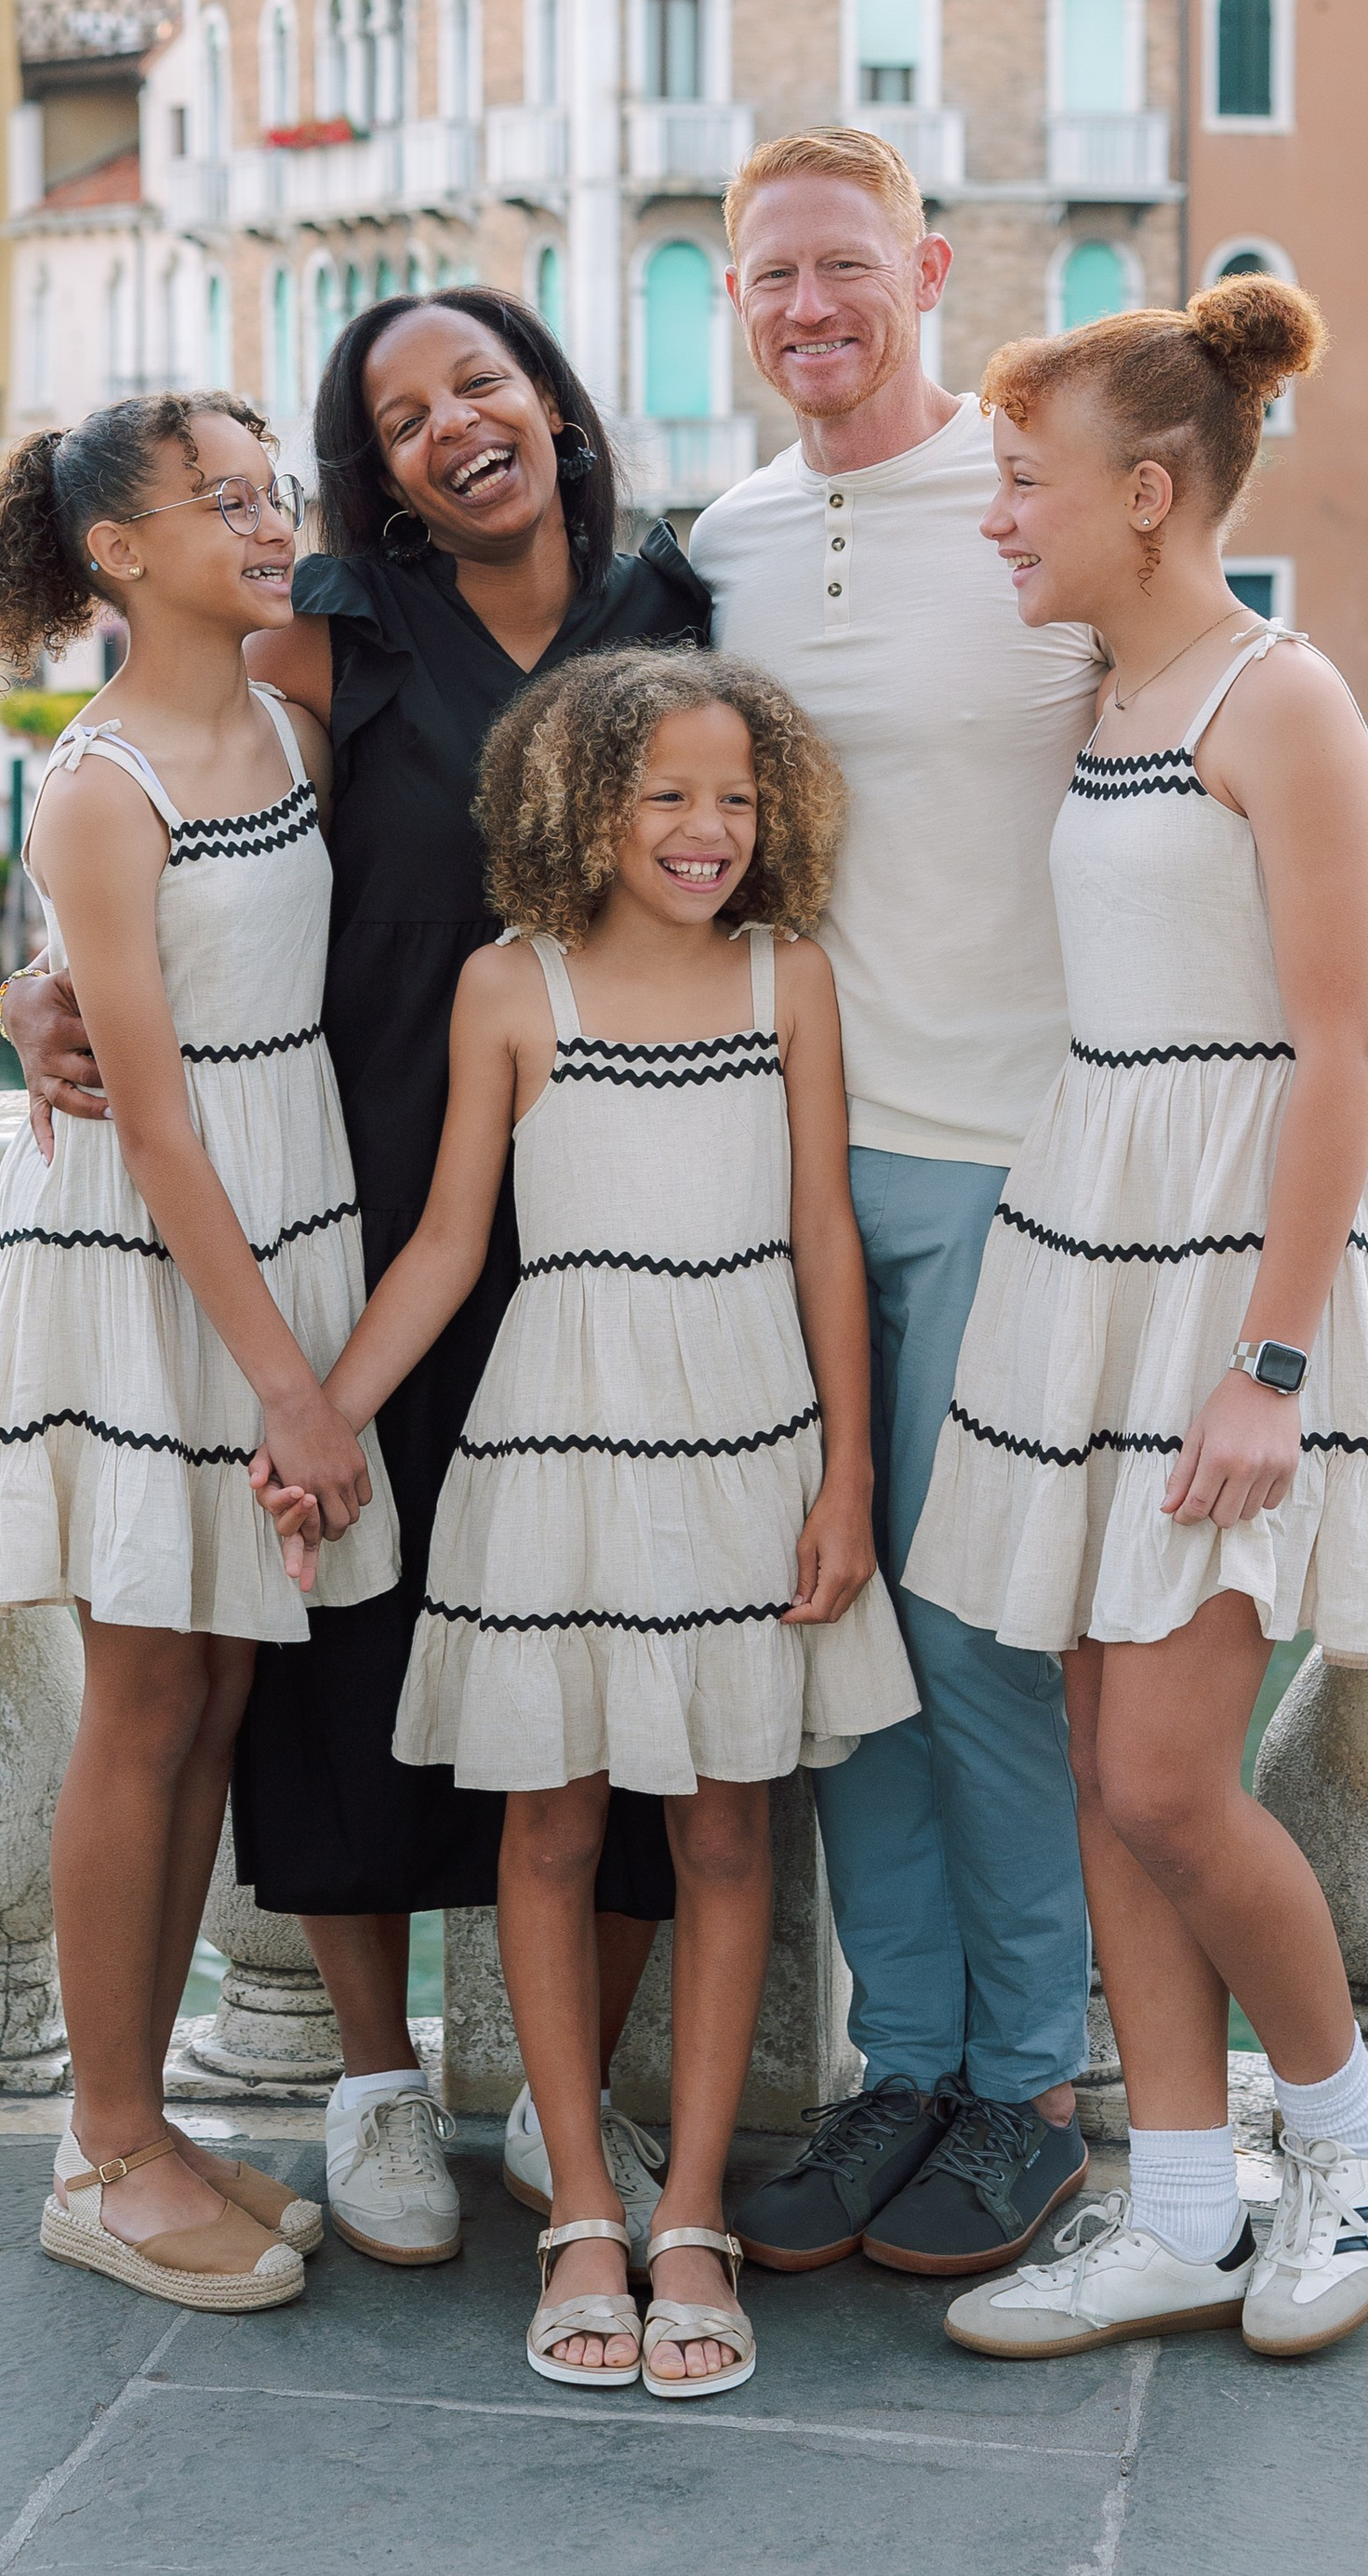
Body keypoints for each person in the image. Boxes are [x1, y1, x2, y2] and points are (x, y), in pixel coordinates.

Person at [690, 130, 1368, 2287]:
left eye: (842, 263)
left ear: (919, 267)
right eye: (768, 274)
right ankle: (913, 2069)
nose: (805, 305)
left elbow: (1291, 948)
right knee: (849, 1646)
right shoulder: (723, 544)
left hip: (1056, 1180)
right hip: (804, 1166)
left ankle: (1030, 2089)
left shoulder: (1065, 541)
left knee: (1015, 1681)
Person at [0, 294, 709, 2268]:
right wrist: (25, 989)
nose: (451, 426)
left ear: (552, 404)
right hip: (359, 1211)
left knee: (620, 1635)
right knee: (326, 1674)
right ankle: (373, 2085)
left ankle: (580, 2107)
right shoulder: (328, 630)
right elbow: (128, 835)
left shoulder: (683, 603)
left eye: (479, 382)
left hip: (622, 1208)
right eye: (397, 414)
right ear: (368, 467)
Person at [905, 284, 1368, 2362]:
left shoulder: (1279, 697)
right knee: (1092, 1753)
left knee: (1158, 1772)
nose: (997, 524)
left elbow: (1335, 1052)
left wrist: (1273, 1359)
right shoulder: (1110, 700)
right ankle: (1167, 2201)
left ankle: (1341, 2135)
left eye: (1023, 487)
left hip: (1230, 1276)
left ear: (1146, 495)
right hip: (1091, 1241)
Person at [280, 649, 914, 2396]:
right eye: (665, 797)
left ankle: (692, 2210)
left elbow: (823, 1245)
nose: (707, 829)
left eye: (735, 795)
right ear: (584, 810)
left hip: (746, 1443)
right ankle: (577, 2209)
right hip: (556, 1442)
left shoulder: (793, 980)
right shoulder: (511, 987)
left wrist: (847, 1478)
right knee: (547, 1835)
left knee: (725, 1840)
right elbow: (443, 1247)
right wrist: (323, 1411)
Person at [0, 392, 396, 2310]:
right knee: (143, 1699)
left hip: (274, 1219)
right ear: (117, 553)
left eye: (267, 489)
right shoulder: (99, 781)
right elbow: (144, 1115)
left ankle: (125, 2123)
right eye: (218, 500)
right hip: (157, 1257)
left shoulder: (285, 707)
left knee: (214, 1690)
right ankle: (104, 2152)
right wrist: (292, 1383)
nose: (264, 516)